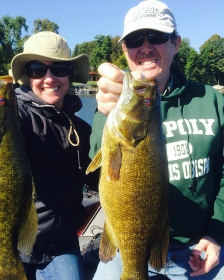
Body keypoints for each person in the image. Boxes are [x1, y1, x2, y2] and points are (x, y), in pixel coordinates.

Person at [0, 31, 99, 280]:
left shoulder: (81, 129)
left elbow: (101, 178)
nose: (49, 78)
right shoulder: (17, 115)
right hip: (1, 244)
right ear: (27, 76)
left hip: (58, 247)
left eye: (59, 68)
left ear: (70, 74)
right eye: (37, 69)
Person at [89, 1, 224, 279]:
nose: (146, 47)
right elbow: (94, 174)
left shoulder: (212, 101)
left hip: (200, 247)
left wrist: (217, 234)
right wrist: (106, 112)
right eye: (136, 40)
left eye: (158, 37)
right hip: (126, 248)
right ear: (125, 50)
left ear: (175, 42)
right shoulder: (114, 106)